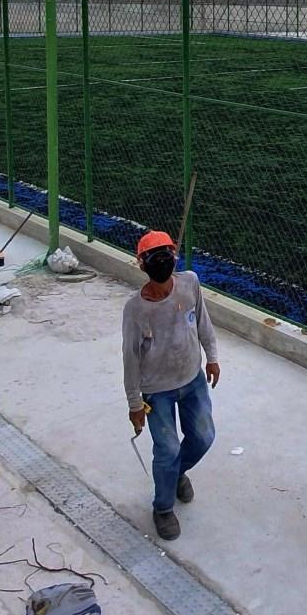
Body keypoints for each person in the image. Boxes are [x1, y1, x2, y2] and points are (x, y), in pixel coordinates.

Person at [123, 230, 220, 540]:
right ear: (142, 265)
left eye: (166, 254)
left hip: (192, 379)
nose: (162, 261)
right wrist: (134, 403)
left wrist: (212, 357)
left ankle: (175, 474)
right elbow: (130, 357)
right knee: (167, 449)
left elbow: (203, 321)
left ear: (175, 256)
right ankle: (163, 507)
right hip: (157, 390)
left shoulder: (190, 283)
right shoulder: (135, 309)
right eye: (155, 256)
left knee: (204, 437)